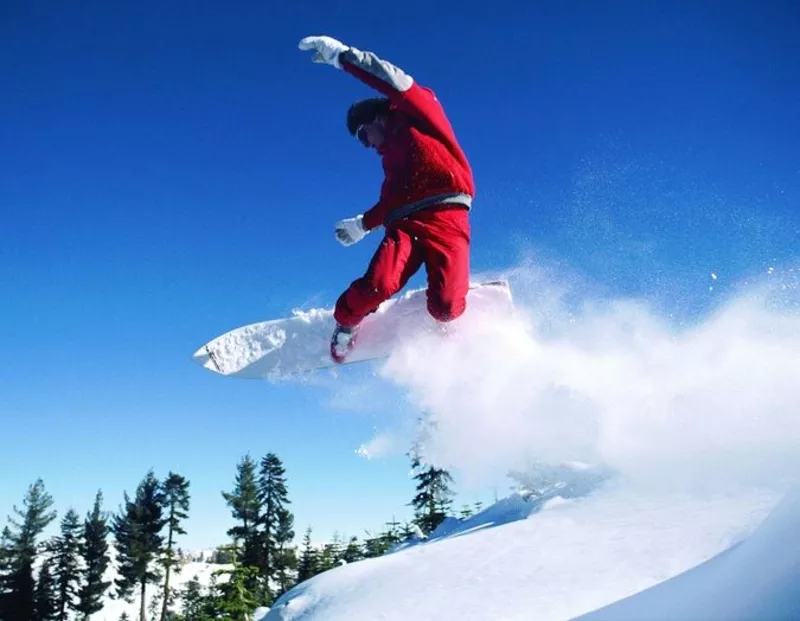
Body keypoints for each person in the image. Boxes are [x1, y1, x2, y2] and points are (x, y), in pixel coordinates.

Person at [298, 35, 475, 363]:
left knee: (447, 307)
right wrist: (361, 225)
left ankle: (448, 309)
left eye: (363, 136)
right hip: (406, 225)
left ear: (376, 117)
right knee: (378, 285)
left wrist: (344, 57)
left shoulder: (416, 112)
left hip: (447, 215)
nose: (367, 146)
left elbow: (392, 79)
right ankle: (346, 322)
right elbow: (391, 203)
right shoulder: (391, 166)